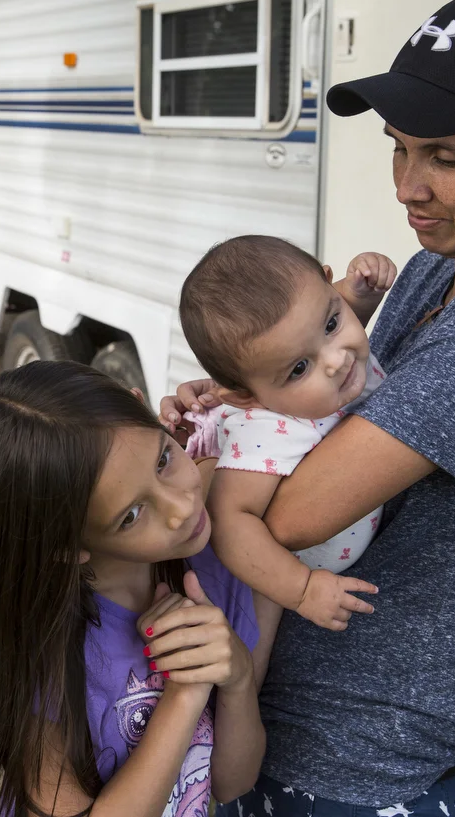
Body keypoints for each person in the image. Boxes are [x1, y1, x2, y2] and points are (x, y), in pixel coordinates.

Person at [163, 0, 455, 815]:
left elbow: (297, 511)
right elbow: (323, 410)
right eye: (398, 148)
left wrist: (240, 439)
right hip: (287, 718)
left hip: (359, 753)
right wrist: (234, 407)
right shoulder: (431, 271)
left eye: (446, 157)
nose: (409, 186)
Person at [0, 360, 281, 817]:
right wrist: (185, 693)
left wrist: (235, 678)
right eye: (131, 516)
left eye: (163, 459)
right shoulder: (34, 646)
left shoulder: (219, 568)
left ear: (144, 408)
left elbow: (233, 781)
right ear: (63, 546)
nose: (181, 507)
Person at [178, 238, 397, 630]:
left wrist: (362, 294)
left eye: (332, 324)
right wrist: (301, 589)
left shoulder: (330, 358)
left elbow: (324, 324)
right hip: (270, 585)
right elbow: (229, 523)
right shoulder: (267, 432)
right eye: (299, 368)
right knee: (252, 662)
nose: (336, 360)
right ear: (247, 397)